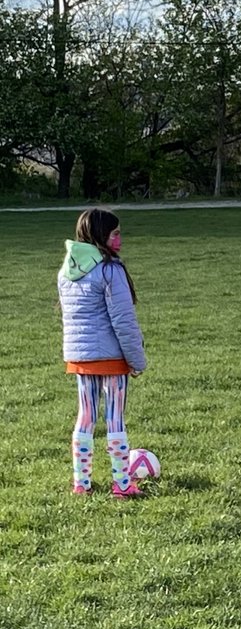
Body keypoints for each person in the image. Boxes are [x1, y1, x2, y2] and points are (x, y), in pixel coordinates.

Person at [58, 208, 148, 498]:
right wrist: (136, 360)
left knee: (85, 416)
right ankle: (122, 484)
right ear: (101, 236)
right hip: (112, 359)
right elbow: (124, 321)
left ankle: (81, 484)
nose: (120, 239)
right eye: (115, 233)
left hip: (80, 359)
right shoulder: (111, 270)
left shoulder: (66, 270)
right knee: (114, 418)